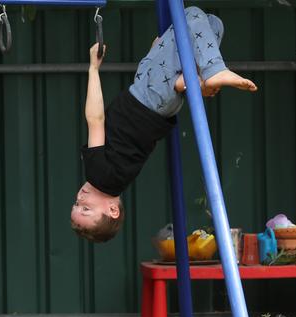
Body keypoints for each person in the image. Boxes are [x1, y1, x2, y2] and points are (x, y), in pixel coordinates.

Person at [71, 7, 258, 242]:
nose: (81, 198)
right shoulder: (99, 174)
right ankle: (213, 72)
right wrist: (93, 69)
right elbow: (95, 118)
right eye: (86, 208)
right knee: (192, 14)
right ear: (112, 209)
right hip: (148, 94)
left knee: (213, 24)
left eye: (76, 204)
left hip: (162, 105)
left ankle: (190, 81)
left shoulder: (119, 180)